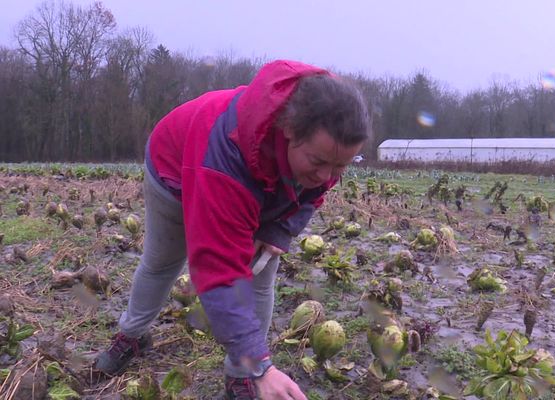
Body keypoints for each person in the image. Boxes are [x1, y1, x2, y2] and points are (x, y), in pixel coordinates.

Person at [94, 59, 370, 399]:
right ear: (289, 130)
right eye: (318, 163)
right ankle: (132, 335)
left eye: (339, 166)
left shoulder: (326, 142)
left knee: (260, 276)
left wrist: (278, 231)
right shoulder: (225, 159)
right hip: (177, 174)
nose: (327, 177)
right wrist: (261, 366)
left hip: (262, 184)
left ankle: (239, 374)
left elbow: (314, 191)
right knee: (162, 262)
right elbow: (219, 272)